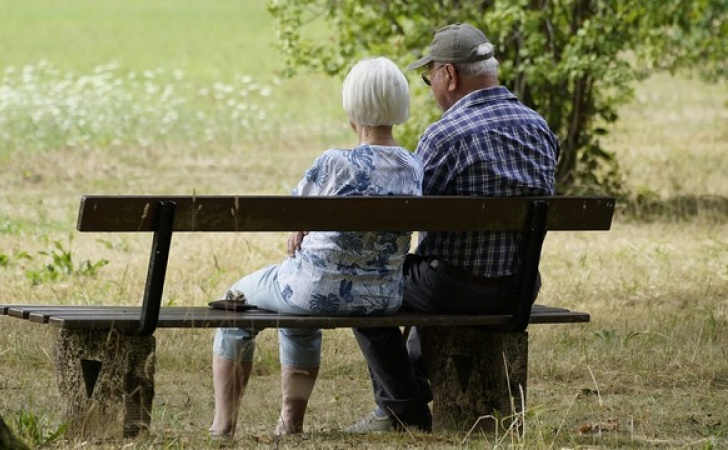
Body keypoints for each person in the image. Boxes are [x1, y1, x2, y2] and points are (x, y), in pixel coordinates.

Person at [345, 23, 560, 433]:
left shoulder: (444, 136)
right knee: (430, 273)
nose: (431, 88)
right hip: (519, 289)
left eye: (429, 79)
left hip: (454, 289)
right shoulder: (540, 128)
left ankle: (403, 409)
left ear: (449, 75)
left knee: (363, 286)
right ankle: (408, 393)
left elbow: (406, 217)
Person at [209, 56, 423, 438]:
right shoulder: (412, 166)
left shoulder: (335, 162)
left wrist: (300, 228)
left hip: (314, 291)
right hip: (381, 297)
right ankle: (290, 423)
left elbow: (292, 211)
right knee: (295, 311)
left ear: (352, 107)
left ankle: (223, 425)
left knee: (235, 300)